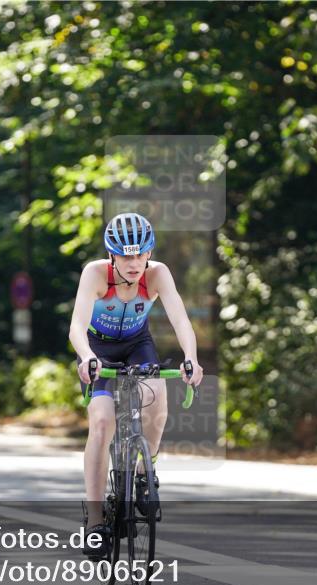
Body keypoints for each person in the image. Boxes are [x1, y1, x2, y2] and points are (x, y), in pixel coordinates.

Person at [69, 212, 204, 559]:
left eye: (140, 255)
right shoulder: (95, 274)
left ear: (149, 253)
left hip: (136, 344)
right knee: (101, 422)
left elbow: (180, 318)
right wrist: (86, 357)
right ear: (112, 255)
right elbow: (77, 326)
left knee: (157, 394)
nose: (133, 263)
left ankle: (145, 471)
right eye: (125, 256)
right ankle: (96, 522)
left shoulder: (158, 274)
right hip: (98, 347)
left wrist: (191, 357)